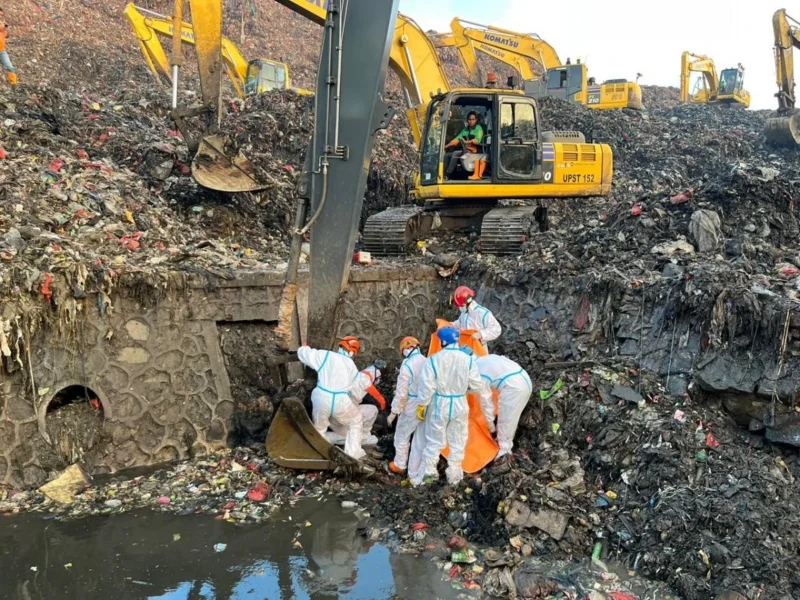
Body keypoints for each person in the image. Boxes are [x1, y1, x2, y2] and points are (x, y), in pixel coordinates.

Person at [411, 327, 482, 486]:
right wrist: (462, 389)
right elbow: (477, 385)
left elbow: (426, 387)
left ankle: (429, 476)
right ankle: (455, 478)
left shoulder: (434, 360)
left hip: (439, 404)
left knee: (434, 442)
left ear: (442, 341)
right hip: (459, 403)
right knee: (458, 441)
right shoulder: (468, 359)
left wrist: (422, 405)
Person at [297, 336, 379, 460]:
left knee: (319, 428)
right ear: (352, 352)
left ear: (340, 346)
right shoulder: (351, 365)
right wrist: (380, 398)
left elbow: (306, 355)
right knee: (356, 421)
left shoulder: (326, 355)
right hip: (340, 400)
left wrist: (304, 348)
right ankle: (353, 455)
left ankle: (316, 452)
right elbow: (361, 385)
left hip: (321, 396)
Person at [476, 354, 532, 458]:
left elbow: (485, 400)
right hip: (524, 379)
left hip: (514, 388)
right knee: (510, 418)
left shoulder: (477, 373)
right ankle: (503, 443)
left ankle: (504, 452)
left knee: (507, 420)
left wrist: (490, 423)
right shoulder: (486, 359)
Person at [387, 336, 427, 475]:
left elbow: (402, 393)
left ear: (405, 349)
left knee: (402, 435)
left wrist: (394, 412)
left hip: (411, 404)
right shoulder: (427, 360)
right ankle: (418, 469)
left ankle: (400, 464)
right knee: (420, 438)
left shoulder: (407, 364)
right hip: (426, 403)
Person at [451, 285, 501, 351]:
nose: (460, 307)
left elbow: (496, 329)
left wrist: (481, 334)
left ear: (467, 302)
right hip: (465, 346)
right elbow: (460, 322)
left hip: (479, 348)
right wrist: (451, 325)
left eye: (461, 305)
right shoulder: (464, 312)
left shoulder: (483, 313)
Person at [443, 111, 483, 178]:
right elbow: (456, 139)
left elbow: (477, 140)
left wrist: (467, 142)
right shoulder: (465, 130)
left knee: (455, 153)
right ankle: (443, 173)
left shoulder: (478, 129)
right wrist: (445, 146)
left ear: (476, 120)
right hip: (465, 151)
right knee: (447, 155)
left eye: (473, 119)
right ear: (467, 120)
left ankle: (448, 174)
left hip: (474, 152)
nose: (471, 121)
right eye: (469, 119)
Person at [0, 9, 16, 86]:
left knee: (9, 67)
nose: (0, 16)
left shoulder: (2, 25)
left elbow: (7, 35)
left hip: (1, 51)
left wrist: (5, 30)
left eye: (1, 15)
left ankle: (13, 84)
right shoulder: (1, 25)